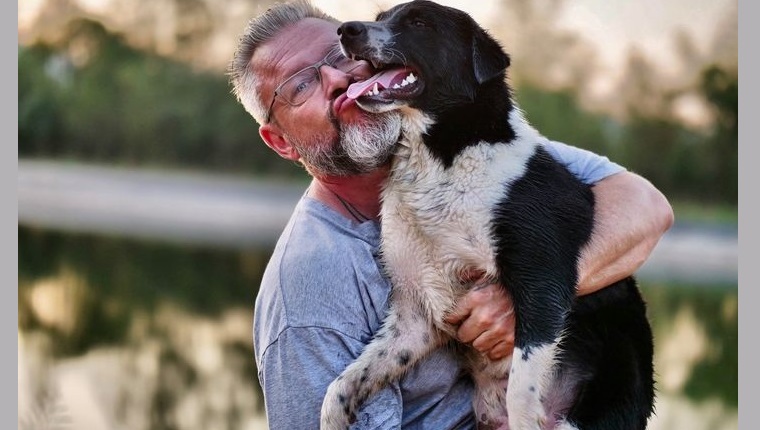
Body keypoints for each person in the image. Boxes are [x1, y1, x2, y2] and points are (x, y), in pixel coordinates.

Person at [228, 1, 674, 428]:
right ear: (281, 141)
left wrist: (525, 295)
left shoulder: (461, 144)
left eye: (337, 57)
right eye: (300, 86)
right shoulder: (307, 295)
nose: (336, 80)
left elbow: (646, 207)